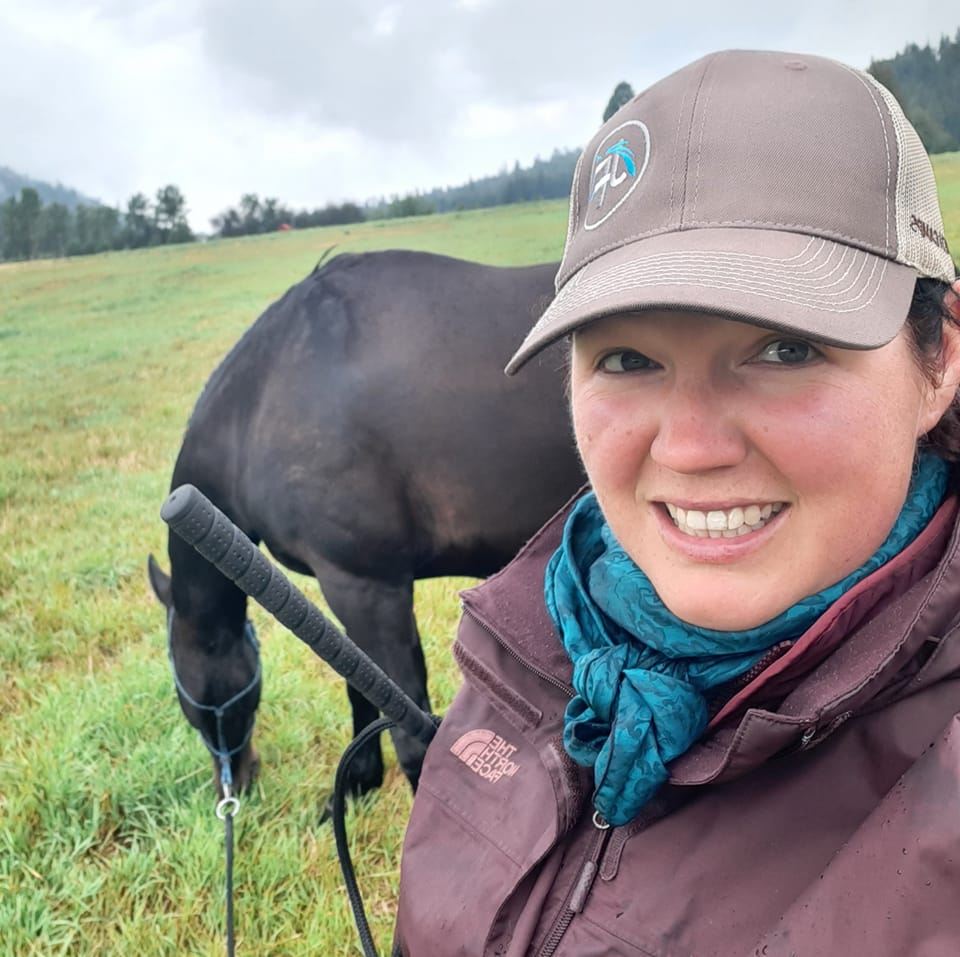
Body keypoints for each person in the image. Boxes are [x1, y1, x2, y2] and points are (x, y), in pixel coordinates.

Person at [395, 49, 960, 956]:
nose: (690, 448)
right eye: (626, 358)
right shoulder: (535, 640)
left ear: (939, 360)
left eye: (785, 349)